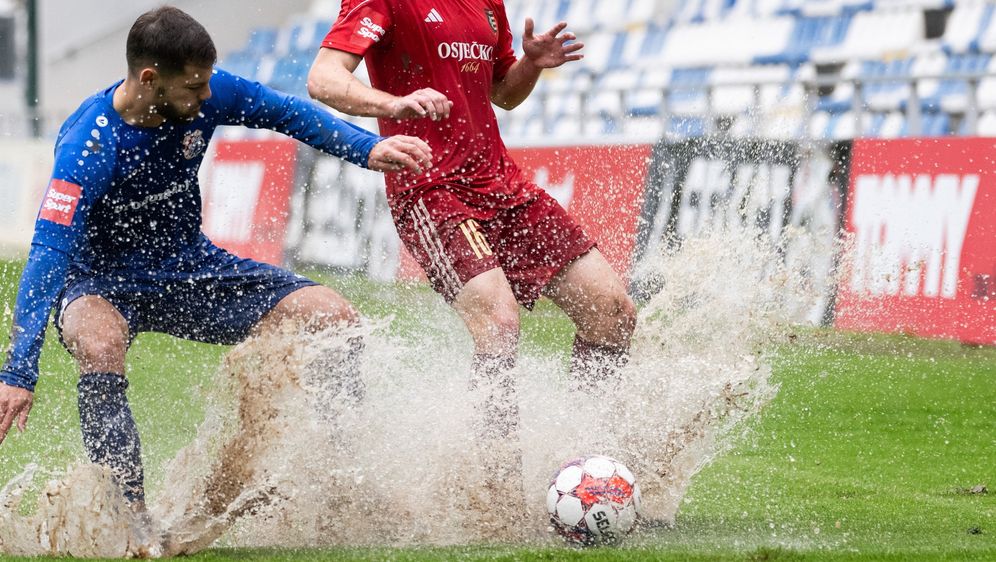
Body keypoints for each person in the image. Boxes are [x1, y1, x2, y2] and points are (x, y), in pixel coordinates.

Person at [0, 5, 432, 516]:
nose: (207, 96)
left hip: (189, 267)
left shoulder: (209, 91)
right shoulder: (88, 143)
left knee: (332, 315)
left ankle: (338, 482)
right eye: (194, 87)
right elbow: (50, 253)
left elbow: (287, 113)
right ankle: (129, 519)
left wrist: (367, 149)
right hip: (100, 283)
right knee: (98, 342)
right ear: (149, 77)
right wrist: (19, 373)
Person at [307, 0, 638, 499]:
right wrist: (391, 104)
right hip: (427, 189)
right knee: (500, 324)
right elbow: (323, 79)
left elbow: (503, 94)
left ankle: (588, 463)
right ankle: (493, 495)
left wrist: (528, 65)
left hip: (500, 185)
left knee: (614, 314)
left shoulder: (487, 2)